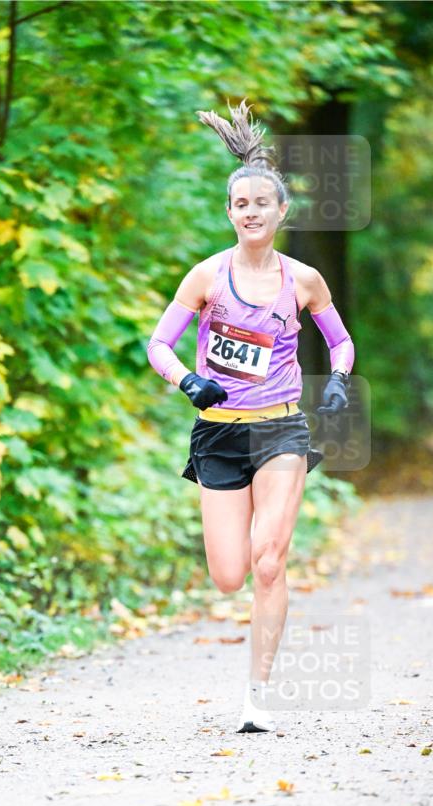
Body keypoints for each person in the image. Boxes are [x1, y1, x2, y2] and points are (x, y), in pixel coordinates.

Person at [146, 99, 354, 734]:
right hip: (218, 435)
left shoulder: (305, 280)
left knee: (269, 561)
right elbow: (158, 343)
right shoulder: (206, 276)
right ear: (230, 213)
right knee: (229, 576)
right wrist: (188, 379)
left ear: (280, 211)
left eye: (263, 203)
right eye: (241, 205)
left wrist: (339, 381)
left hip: (283, 428)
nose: (252, 213)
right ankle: (252, 667)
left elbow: (340, 342)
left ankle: (257, 697)